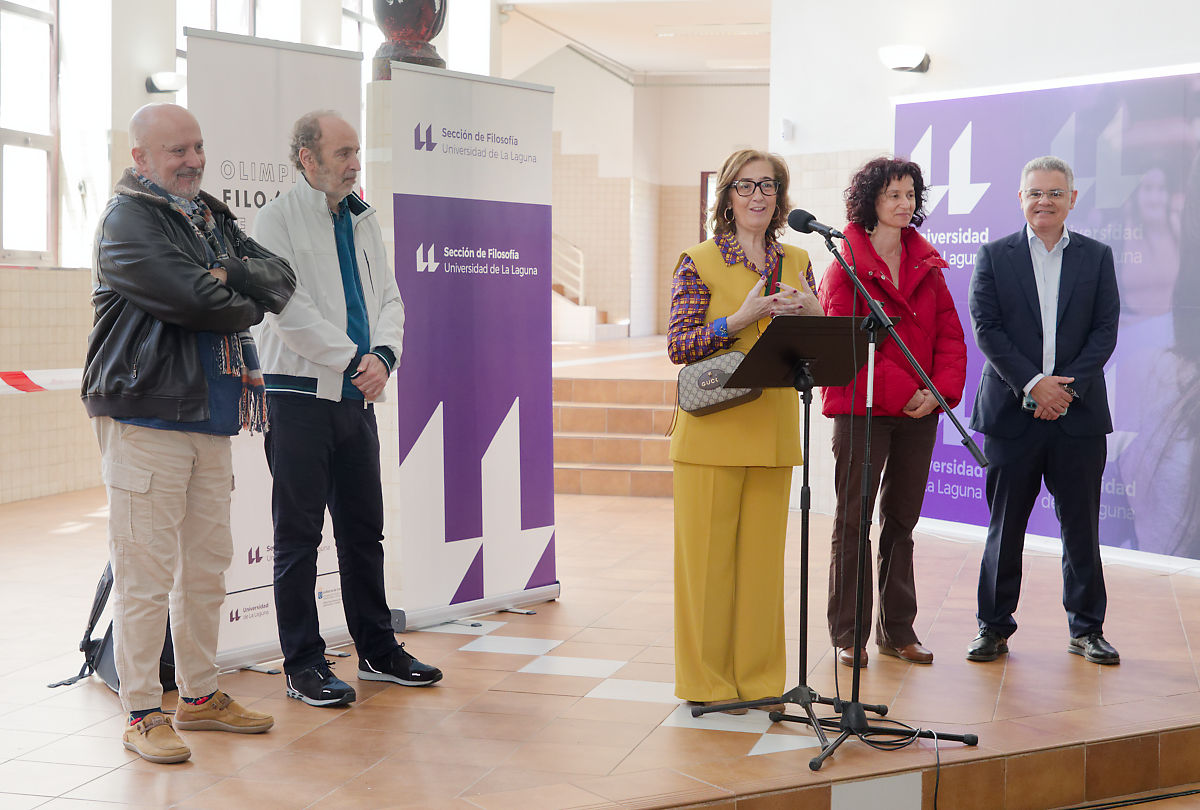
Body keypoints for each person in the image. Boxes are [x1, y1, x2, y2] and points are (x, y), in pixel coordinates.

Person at [82, 103, 296, 763]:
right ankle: (142, 712)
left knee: (205, 569)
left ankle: (199, 696)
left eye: (197, 146)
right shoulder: (127, 221)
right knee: (145, 575)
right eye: (177, 150)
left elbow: (281, 279)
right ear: (140, 157)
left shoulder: (210, 216)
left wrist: (227, 275)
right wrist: (230, 287)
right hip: (146, 415)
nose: (193, 160)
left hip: (210, 413)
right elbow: (198, 303)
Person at [252, 110, 442, 708]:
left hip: (356, 397)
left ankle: (379, 652)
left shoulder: (362, 218)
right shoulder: (276, 219)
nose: (354, 164)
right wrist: (354, 360)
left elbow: (389, 298)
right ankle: (304, 665)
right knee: (298, 538)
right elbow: (289, 310)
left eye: (356, 152)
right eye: (342, 153)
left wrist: (383, 355)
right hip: (299, 397)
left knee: (363, 531)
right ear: (306, 158)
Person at [667, 149, 822, 713]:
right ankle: (707, 684)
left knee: (761, 569)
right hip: (712, 434)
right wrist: (739, 319)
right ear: (727, 196)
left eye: (769, 186)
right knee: (707, 568)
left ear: (781, 196)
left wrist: (813, 314)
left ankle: (760, 680)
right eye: (746, 185)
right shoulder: (699, 260)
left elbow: (817, 347)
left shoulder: (799, 259)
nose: (758, 196)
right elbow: (679, 345)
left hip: (773, 431)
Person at [967, 155, 1121, 665]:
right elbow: (987, 328)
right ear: (1020, 198)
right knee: (1005, 527)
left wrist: (1063, 391)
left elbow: (1105, 331)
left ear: (1072, 199)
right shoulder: (994, 255)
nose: (1044, 202)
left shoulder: (1096, 257)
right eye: (1035, 192)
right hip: (1012, 415)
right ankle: (993, 627)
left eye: (1055, 193)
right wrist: (1034, 385)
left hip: (1078, 415)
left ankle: (1087, 629)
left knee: (1081, 529)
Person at [819, 157, 967, 668]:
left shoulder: (926, 262)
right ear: (870, 202)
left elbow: (951, 336)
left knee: (902, 522)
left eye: (910, 195)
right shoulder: (844, 265)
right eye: (893, 195)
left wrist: (938, 393)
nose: (905, 204)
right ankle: (849, 634)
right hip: (861, 410)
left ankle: (897, 631)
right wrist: (909, 391)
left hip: (920, 412)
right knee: (853, 521)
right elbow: (846, 344)